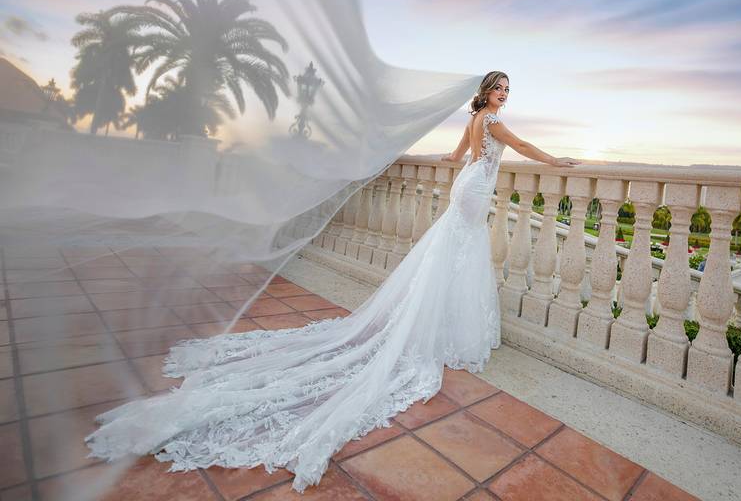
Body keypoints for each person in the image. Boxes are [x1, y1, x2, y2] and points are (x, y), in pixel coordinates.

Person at [85, 70, 579, 492]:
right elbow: (520, 146)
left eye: (507, 90)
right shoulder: (490, 121)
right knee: (461, 253)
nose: (503, 96)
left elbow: (455, 159)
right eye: (499, 88)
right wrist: (556, 162)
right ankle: (446, 329)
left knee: (451, 253)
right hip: (474, 192)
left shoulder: (472, 121)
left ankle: (440, 323)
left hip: (465, 187)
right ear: (486, 93)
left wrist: (460, 166)